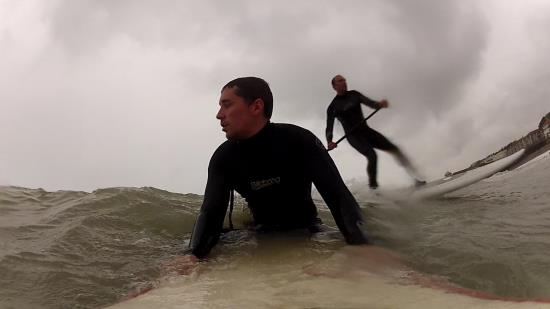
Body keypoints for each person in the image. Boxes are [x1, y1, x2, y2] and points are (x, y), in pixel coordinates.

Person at [184, 76, 369, 263]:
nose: (219, 114)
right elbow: (210, 213)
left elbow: (338, 197)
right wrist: (192, 255)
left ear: (256, 106)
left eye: (227, 105)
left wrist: (362, 244)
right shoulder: (224, 158)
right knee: (189, 254)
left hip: (308, 231)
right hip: (258, 234)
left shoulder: (300, 141)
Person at [326, 75, 425, 189]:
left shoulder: (354, 94)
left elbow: (371, 103)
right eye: (340, 81)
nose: (344, 82)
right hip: (354, 137)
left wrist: (380, 104)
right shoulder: (333, 107)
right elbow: (329, 127)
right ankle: (374, 189)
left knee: (394, 149)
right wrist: (329, 141)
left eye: (344, 80)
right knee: (372, 155)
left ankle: (416, 179)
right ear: (334, 86)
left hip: (367, 132)